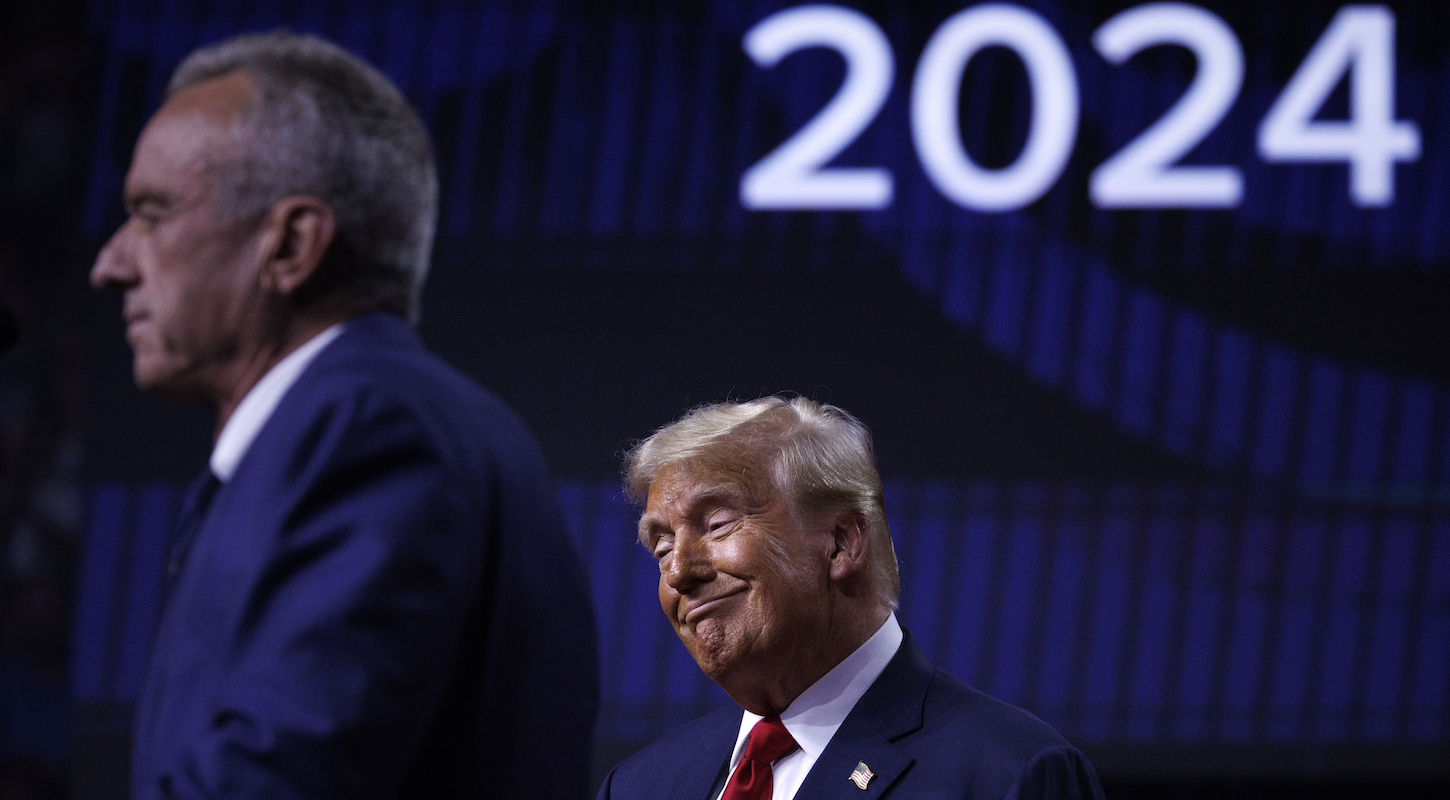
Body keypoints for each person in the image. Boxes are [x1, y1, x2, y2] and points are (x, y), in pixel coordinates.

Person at [89, 31, 598, 800]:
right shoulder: (402, 422)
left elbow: (277, 777)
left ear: (290, 245)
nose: (112, 264)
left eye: (152, 214)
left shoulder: (369, 429)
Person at [598, 397, 1104, 800]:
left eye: (717, 524)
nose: (680, 571)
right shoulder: (638, 786)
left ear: (841, 542)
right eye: (661, 548)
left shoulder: (1007, 775)